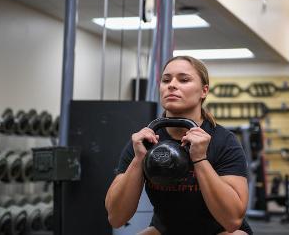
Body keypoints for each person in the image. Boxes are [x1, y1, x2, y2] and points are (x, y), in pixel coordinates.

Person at [105, 56, 252, 235]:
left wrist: (200, 159)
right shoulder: (145, 142)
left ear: (204, 91)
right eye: (166, 80)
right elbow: (116, 217)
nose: (171, 85)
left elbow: (233, 220)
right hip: (167, 230)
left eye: (184, 80)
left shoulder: (223, 141)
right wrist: (138, 160)